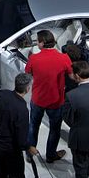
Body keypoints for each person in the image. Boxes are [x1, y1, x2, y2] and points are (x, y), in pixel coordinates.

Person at [25, 30, 74, 163]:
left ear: (42, 43)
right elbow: (72, 77)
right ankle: (51, 155)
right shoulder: (64, 58)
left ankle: (30, 153)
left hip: (38, 99)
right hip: (56, 101)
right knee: (55, 129)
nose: (36, 43)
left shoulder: (33, 58)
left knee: (33, 126)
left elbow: (28, 73)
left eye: (37, 41)